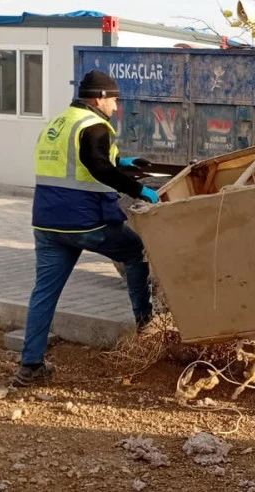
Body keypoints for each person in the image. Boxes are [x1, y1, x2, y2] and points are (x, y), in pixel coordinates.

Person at [13, 70, 160, 387]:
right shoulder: (93, 125)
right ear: (100, 98)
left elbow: (82, 159)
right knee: (134, 250)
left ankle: (30, 366)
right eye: (115, 100)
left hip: (47, 223)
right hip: (85, 221)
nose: (116, 108)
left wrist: (127, 162)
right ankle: (146, 323)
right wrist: (137, 189)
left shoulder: (58, 124)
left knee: (44, 294)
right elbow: (96, 164)